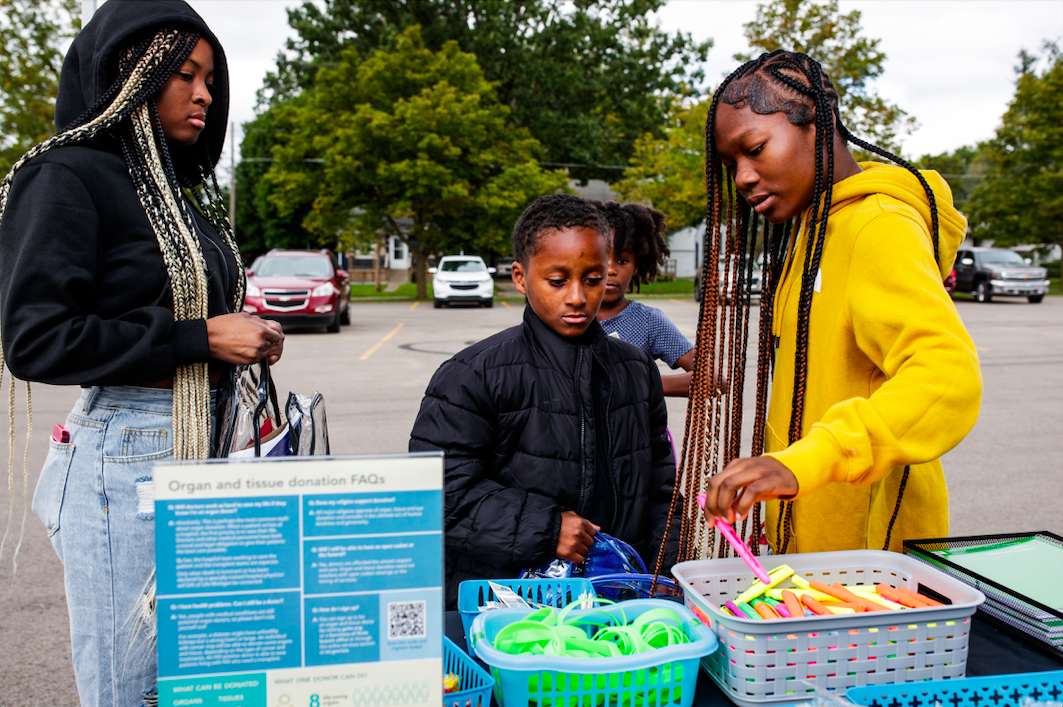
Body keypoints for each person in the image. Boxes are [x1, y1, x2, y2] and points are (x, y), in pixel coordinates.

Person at [0, 2, 283, 704]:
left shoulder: (175, 192)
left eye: (211, 78)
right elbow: (35, 338)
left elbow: (172, 305)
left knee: (198, 676)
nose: (204, 94)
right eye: (184, 74)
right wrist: (201, 337)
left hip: (204, 442)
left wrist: (238, 331)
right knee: (132, 686)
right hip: (125, 454)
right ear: (132, 74)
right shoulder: (66, 174)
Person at [698, 51, 982, 554]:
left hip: (872, 571)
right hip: (816, 551)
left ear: (820, 123)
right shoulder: (810, 231)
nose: (742, 177)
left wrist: (807, 460)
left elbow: (946, 376)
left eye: (756, 148)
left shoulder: (877, 227)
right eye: (731, 164)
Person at [409, 194, 679, 609]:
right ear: (520, 277)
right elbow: (438, 491)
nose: (577, 297)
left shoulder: (636, 369)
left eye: (592, 279)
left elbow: (662, 486)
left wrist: (665, 567)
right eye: (557, 281)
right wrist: (547, 527)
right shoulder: (472, 374)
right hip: (507, 609)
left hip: (622, 602)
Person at [595, 200, 695, 396]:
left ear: (636, 267)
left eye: (622, 260)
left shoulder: (648, 321)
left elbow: (714, 379)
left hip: (635, 426)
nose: (611, 269)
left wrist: (639, 383)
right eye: (600, 257)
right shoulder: (560, 317)